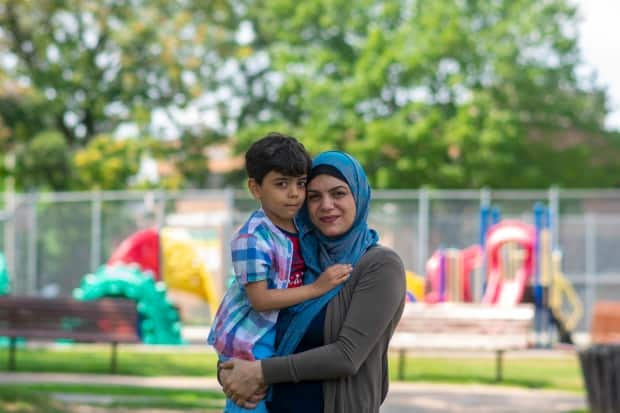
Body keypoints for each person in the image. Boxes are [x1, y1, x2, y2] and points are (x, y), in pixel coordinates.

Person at [219, 150, 406, 413]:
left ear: (359, 195)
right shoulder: (296, 257)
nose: (326, 205)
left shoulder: (380, 266)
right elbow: (250, 324)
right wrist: (229, 371)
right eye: (315, 196)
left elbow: (346, 356)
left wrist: (260, 372)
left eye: (338, 193)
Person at [207, 134, 352, 413]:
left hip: (277, 332)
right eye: (281, 184)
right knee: (251, 399)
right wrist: (317, 288)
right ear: (256, 188)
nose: (294, 194)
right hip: (251, 337)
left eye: (300, 183)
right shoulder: (252, 238)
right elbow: (259, 300)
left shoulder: (302, 225)